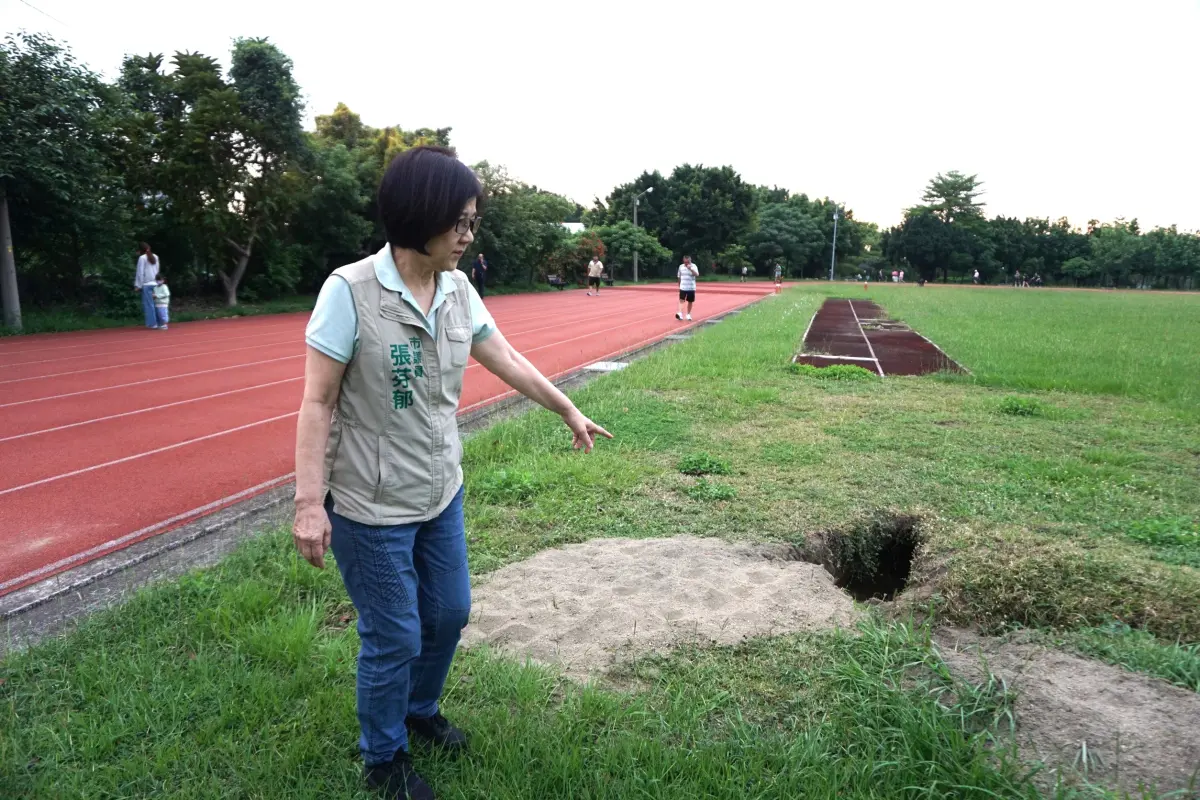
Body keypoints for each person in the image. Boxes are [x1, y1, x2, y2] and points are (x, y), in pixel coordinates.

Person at [294, 146, 612, 800]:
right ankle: (383, 756)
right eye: (458, 222)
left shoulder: (459, 290)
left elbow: (509, 359)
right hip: (369, 502)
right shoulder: (349, 292)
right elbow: (317, 402)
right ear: (420, 216)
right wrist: (306, 503)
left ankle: (418, 708)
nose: (469, 235)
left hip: (439, 489)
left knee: (449, 614)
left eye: (473, 222)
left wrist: (568, 409)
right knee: (395, 633)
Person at [133, 243, 160, 329]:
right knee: (157, 304)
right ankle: (160, 322)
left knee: (149, 305)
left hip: (147, 284)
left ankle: (152, 324)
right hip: (156, 284)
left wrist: (138, 285)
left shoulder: (142, 258)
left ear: (140, 250)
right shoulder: (156, 257)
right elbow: (157, 270)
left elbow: (140, 273)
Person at [676, 255, 698, 320]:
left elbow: (697, 274)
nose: (686, 263)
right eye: (685, 262)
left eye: (687, 262)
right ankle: (680, 313)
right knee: (681, 300)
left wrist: (690, 269)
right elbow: (679, 276)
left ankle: (688, 314)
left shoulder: (694, 266)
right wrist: (679, 285)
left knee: (690, 301)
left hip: (691, 287)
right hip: (683, 287)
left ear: (690, 261)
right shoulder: (681, 266)